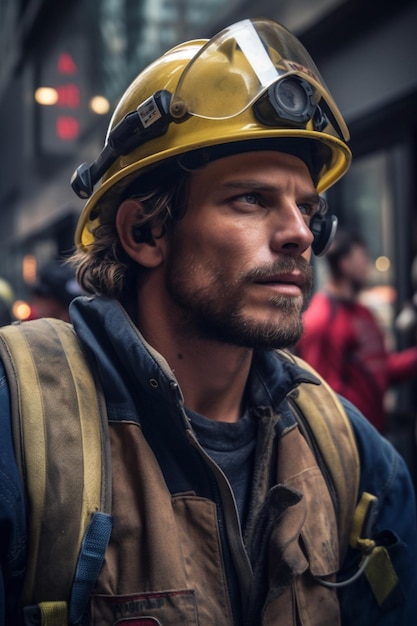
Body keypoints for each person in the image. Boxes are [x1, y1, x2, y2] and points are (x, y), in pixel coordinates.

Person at [0, 17, 416, 626]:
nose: (301, 233)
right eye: (251, 199)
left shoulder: (350, 451)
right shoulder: (20, 427)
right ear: (145, 231)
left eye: (307, 208)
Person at [296, 228, 417, 433]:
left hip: (374, 434)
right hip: (350, 441)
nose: (368, 264)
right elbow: (322, 397)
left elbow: (382, 368)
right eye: (363, 257)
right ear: (345, 263)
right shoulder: (322, 319)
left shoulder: (363, 313)